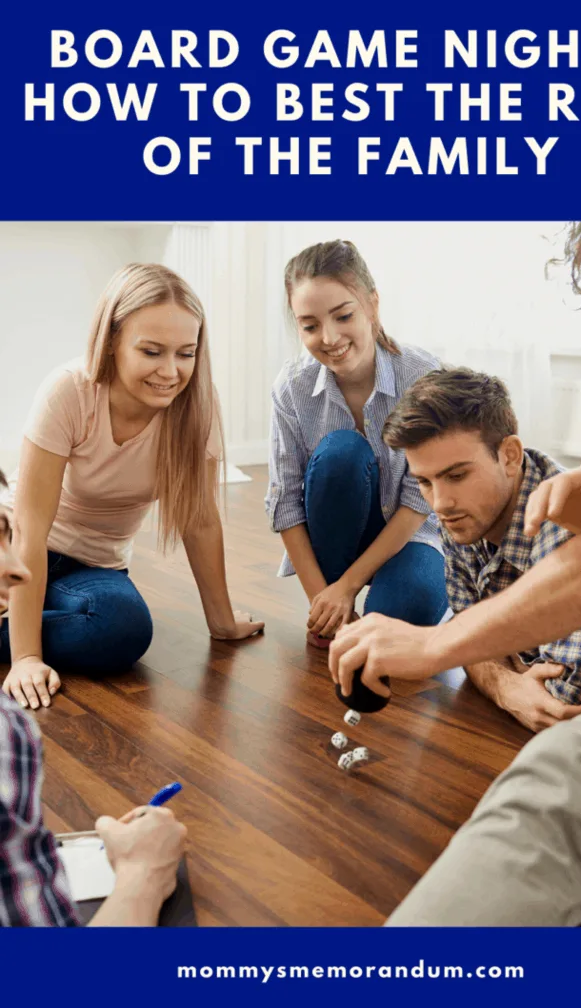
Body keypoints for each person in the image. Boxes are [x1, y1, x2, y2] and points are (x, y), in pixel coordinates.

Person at [330, 221, 581, 926]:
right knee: (551, 779)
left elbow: (579, 686)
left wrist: (438, 647)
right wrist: (499, 675)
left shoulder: (542, 512)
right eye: (427, 483)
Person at [1, 263, 263, 712]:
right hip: (21, 553)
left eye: (186, 353)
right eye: (152, 351)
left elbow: (199, 520)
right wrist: (25, 658)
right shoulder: (69, 392)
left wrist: (222, 622)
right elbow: (30, 530)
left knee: (123, 627)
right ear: (112, 341)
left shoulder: (198, 405)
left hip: (96, 569)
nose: (170, 371)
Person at [380, 366, 581, 732]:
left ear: (510, 455)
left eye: (456, 475)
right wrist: (509, 686)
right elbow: (465, 626)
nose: (439, 502)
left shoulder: (568, 527)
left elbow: (572, 711)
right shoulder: (464, 512)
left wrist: (492, 652)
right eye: (424, 481)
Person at [0, 468, 187, 926]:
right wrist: (144, 874)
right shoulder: (9, 734)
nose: (17, 568)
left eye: (7, 536)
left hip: (92, 573)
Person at [265, 239, 449, 648]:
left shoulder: (422, 374)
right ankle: (336, 606)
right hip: (337, 531)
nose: (329, 337)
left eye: (343, 315)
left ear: (372, 305)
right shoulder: (291, 388)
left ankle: (375, 590)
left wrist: (350, 586)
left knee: (406, 615)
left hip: (411, 531)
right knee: (341, 454)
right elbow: (286, 504)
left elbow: (420, 499)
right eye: (310, 325)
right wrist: (324, 600)